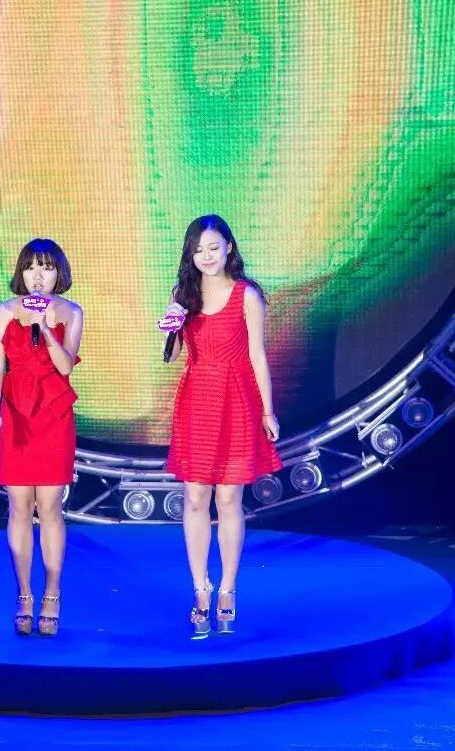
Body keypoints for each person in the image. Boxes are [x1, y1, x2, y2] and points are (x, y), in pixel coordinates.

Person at [159, 215, 282, 638]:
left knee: (229, 498)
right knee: (195, 498)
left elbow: (257, 356)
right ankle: (200, 588)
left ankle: (228, 587)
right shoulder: (184, 295)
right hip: (197, 400)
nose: (207, 256)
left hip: (237, 399)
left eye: (214, 247)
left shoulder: (247, 295)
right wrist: (172, 322)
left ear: (229, 247)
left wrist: (268, 411)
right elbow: (172, 356)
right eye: (198, 250)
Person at [0, 238, 83, 636]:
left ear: (59, 273)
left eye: (46, 267)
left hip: (53, 417)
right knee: (19, 507)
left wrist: (45, 327)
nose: (37, 276)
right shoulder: (6, 311)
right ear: (21, 273)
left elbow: (65, 366)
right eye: (30, 267)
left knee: (50, 507)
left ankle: (52, 593)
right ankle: (24, 593)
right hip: (16, 417)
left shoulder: (71, 312)